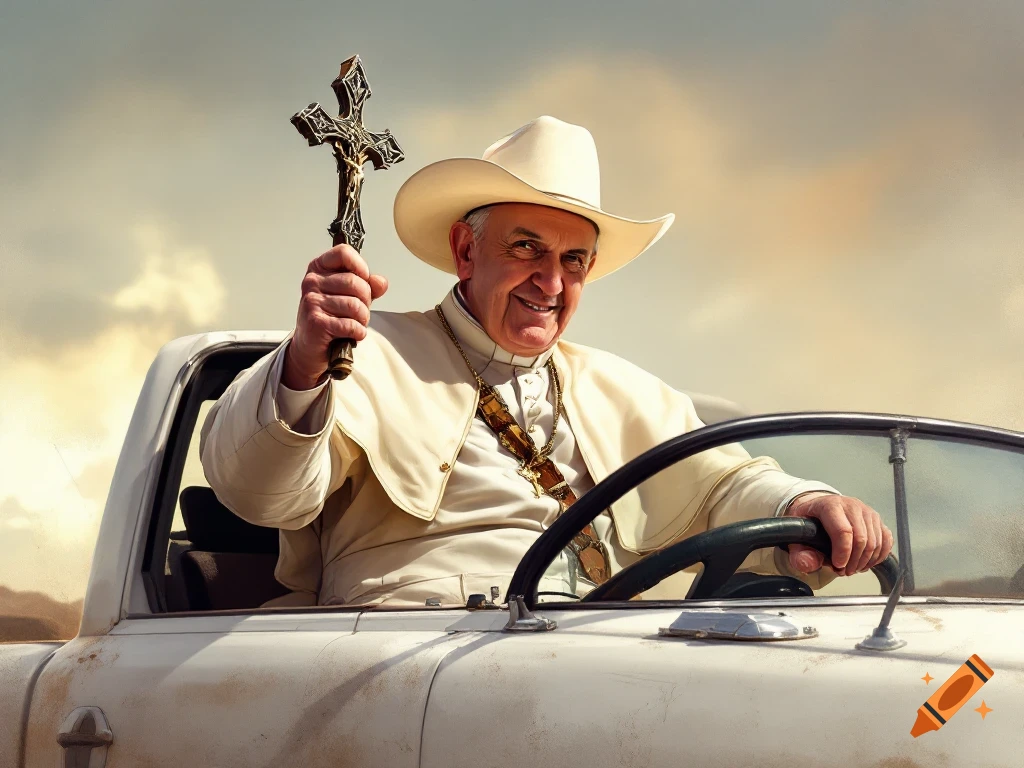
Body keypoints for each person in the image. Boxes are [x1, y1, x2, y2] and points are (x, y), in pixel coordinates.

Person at [200, 116, 893, 607]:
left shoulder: (627, 390)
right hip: (400, 664)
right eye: (526, 249)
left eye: (573, 261)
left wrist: (806, 503)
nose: (551, 284)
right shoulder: (364, 354)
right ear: (466, 252)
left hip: (595, 657)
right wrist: (301, 366)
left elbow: (723, 487)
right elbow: (261, 493)